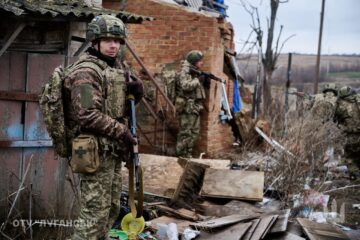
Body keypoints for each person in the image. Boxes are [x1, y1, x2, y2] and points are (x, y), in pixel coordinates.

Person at [63, 15, 143, 239]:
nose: (113, 45)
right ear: (95, 41)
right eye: (107, 40)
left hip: (112, 151)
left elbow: (115, 109)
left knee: (111, 209)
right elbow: (87, 114)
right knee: (93, 215)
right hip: (94, 153)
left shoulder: (113, 69)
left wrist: (137, 94)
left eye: (117, 41)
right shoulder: (86, 72)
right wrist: (122, 132)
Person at [175, 50, 206, 158]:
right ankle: (181, 154)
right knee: (185, 132)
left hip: (194, 106)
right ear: (194, 61)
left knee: (195, 132)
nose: (202, 63)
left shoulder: (194, 71)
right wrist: (197, 80)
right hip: (187, 106)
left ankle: (188, 153)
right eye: (200, 61)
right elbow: (185, 86)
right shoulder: (185, 71)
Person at [335, 86, 360, 178]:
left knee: (350, 157)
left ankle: (356, 175)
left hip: (352, 136)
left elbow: (336, 120)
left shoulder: (341, 105)